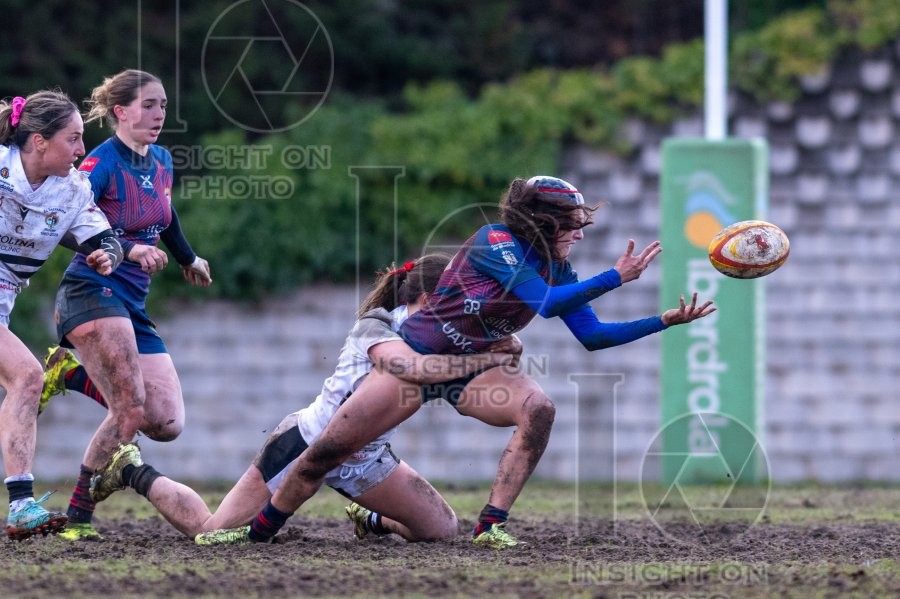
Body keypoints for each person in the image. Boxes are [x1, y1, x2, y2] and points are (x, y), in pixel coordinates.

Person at [242, 175, 717, 549]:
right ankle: (258, 534)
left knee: (539, 409)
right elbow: (547, 303)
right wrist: (616, 276)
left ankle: (490, 525)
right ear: (543, 223)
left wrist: (665, 321)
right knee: (324, 455)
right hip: (418, 360)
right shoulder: (496, 241)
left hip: (474, 364)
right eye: (572, 223)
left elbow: (593, 336)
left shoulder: (560, 268)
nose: (579, 232)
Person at [88, 255, 519, 544]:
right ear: (429, 299)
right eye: (456, 299)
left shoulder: (441, 337)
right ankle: (133, 471)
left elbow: (501, 340)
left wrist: (501, 341)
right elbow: (412, 370)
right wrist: (485, 353)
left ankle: (368, 518)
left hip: (366, 457)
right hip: (307, 443)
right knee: (210, 535)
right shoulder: (378, 324)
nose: (464, 309)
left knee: (442, 530)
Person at [42, 69, 211, 541]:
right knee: (130, 407)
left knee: (166, 422)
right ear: (120, 111)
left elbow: (167, 214)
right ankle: (76, 519)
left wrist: (188, 257)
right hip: (92, 293)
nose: (160, 114)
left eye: (163, 105)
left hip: (133, 303)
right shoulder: (100, 164)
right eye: (149, 105)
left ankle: (67, 374)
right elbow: (63, 223)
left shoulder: (160, 160)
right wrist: (125, 249)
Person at [0, 90, 129, 540]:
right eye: (73, 139)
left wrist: (106, 256)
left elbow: (104, 238)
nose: (80, 150)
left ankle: (19, 505)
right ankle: (20, 505)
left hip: (5, 296)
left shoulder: (72, 189)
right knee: (28, 377)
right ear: (38, 141)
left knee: (24, 379)